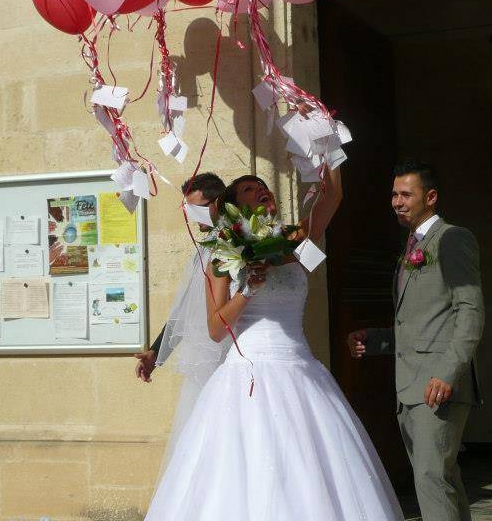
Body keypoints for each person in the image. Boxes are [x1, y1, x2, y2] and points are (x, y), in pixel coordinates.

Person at [145, 167, 403, 521]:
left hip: (301, 370)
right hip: (246, 376)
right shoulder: (223, 254)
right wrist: (247, 292)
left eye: (263, 186)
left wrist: (326, 136)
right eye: (249, 190)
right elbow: (216, 329)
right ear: (235, 208)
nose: (261, 190)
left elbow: (332, 196)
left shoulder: (296, 239)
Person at [347, 159, 484, 521]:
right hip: (410, 386)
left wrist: (448, 373)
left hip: (437, 386)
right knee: (443, 479)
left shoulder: (452, 239)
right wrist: (375, 340)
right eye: (394, 194)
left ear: (432, 197)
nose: (397, 201)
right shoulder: (412, 245)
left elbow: (470, 311)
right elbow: (421, 322)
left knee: (431, 478)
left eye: (406, 194)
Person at [134, 172, 226, 383]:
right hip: (208, 357)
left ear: (217, 202)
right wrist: (156, 352)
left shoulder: (241, 241)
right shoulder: (203, 251)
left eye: (197, 209)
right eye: (189, 210)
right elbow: (185, 309)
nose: (192, 217)